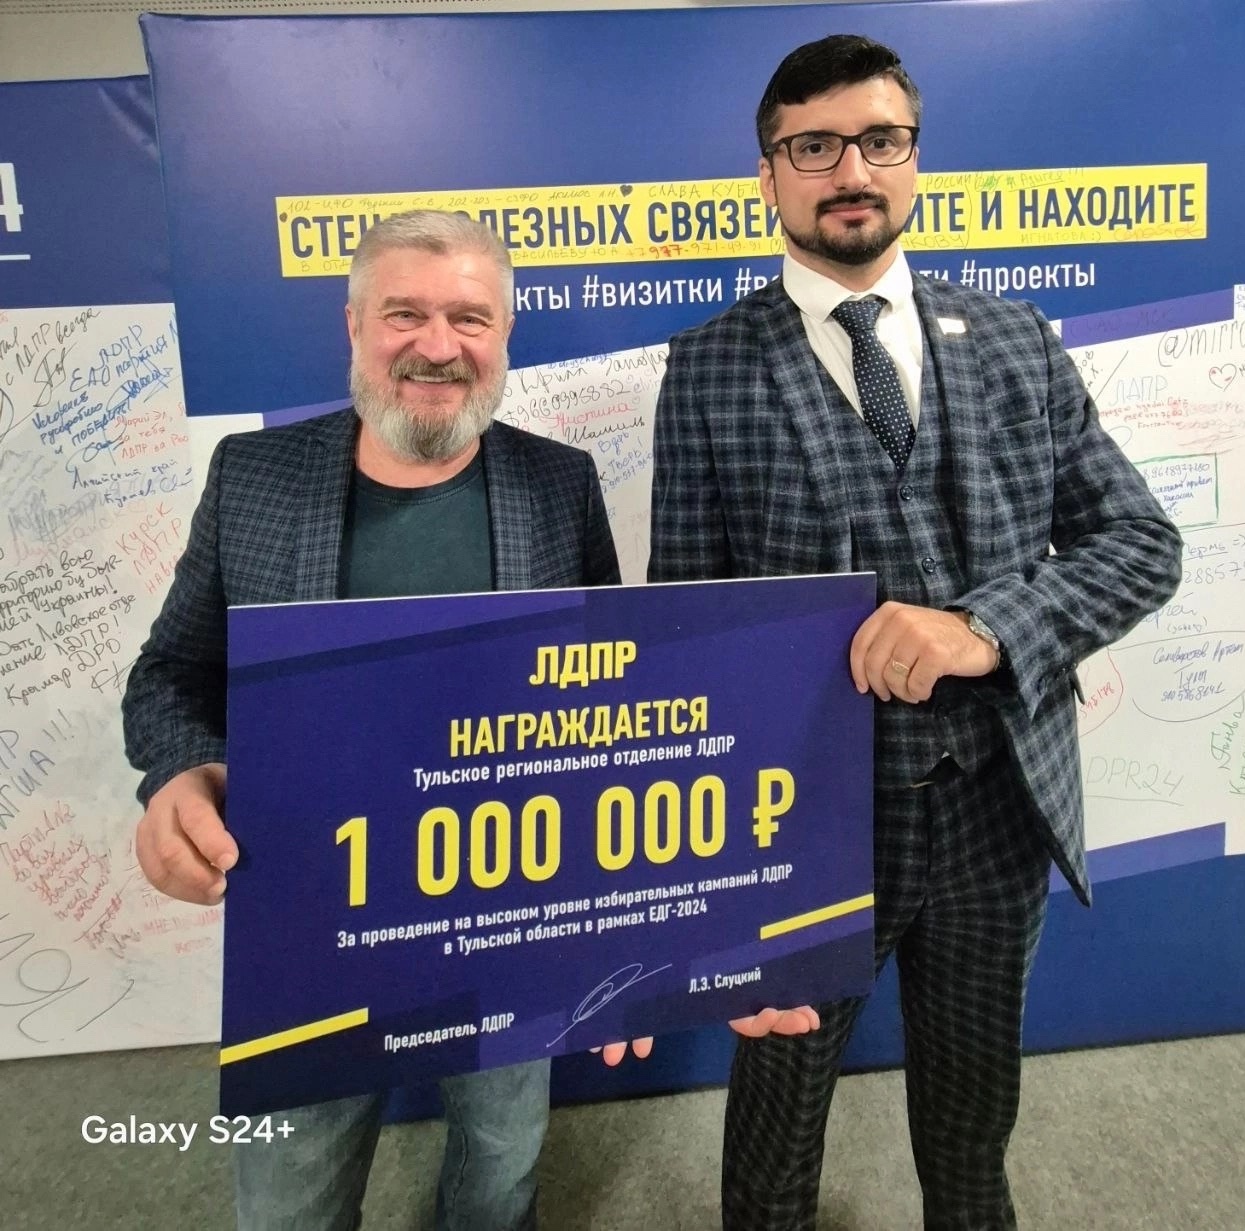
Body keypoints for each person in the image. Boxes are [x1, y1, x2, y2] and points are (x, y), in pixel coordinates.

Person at [648, 34, 1183, 1231]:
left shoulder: (1014, 338)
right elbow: (685, 629)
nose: (851, 170)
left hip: (997, 808)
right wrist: (703, 889)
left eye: (878, 140)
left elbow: (1141, 545)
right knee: (773, 1142)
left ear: (912, 157)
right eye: (813, 146)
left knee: (971, 1131)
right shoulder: (706, 367)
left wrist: (985, 627)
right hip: (797, 827)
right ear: (768, 176)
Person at [124, 209, 642, 1231]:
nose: (437, 345)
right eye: (405, 313)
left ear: (503, 334)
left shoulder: (560, 485)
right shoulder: (252, 476)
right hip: (307, 914)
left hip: (510, 910)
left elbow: (605, 713)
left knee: (499, 1170)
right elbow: (171, 671)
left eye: (469, 318)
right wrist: (178, 774)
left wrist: (625, 923)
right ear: (354, 323)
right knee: (290, 1196)